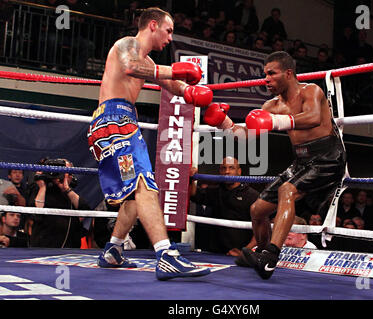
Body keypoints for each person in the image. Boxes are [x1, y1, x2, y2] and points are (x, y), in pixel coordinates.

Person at [87, 7, 213, 280]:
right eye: (168, 31)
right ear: (153, 26)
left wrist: (195, 93)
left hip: (115, 124)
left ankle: (113, 250)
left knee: (134, 193)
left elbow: (172, 84)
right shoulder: (128, 45)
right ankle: (166, 255)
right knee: (145, 184)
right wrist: (177, 69)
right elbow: (134, 66)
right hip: (115, 121)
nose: (170, 38)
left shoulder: (147, 62)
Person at [203, 51, 346, 279]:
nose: (266, 79)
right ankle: (260, 251)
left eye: (272, 73)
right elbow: (247, 136)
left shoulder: (312, 91)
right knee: (257, 210)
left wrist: (276, 121)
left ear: (288, 73)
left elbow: (313, 118)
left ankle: (271, 257)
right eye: (264, 74)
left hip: (328, 157)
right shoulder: (271, 105)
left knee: (286, 190)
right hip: (301, 161)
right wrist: (224, 123)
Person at [189, 156, 259, 257]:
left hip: (240, 255)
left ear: (239, 171)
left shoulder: (252, 196)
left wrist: (245, 251)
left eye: (231, 168)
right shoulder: (215, 191)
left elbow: (262, 226)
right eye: (223, 168)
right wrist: (192, 177)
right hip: (214, 253)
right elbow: (194, 194)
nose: (227, 171)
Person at [28, 158, 90, 248]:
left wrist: (67, 189)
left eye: (67, 172)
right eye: (60, 171)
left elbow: (85, 211)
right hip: (44, 246)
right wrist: (42, 187)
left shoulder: (70, 194)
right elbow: (36, 215)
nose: (64, 175)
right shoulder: (41, 189)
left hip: (70, 248)